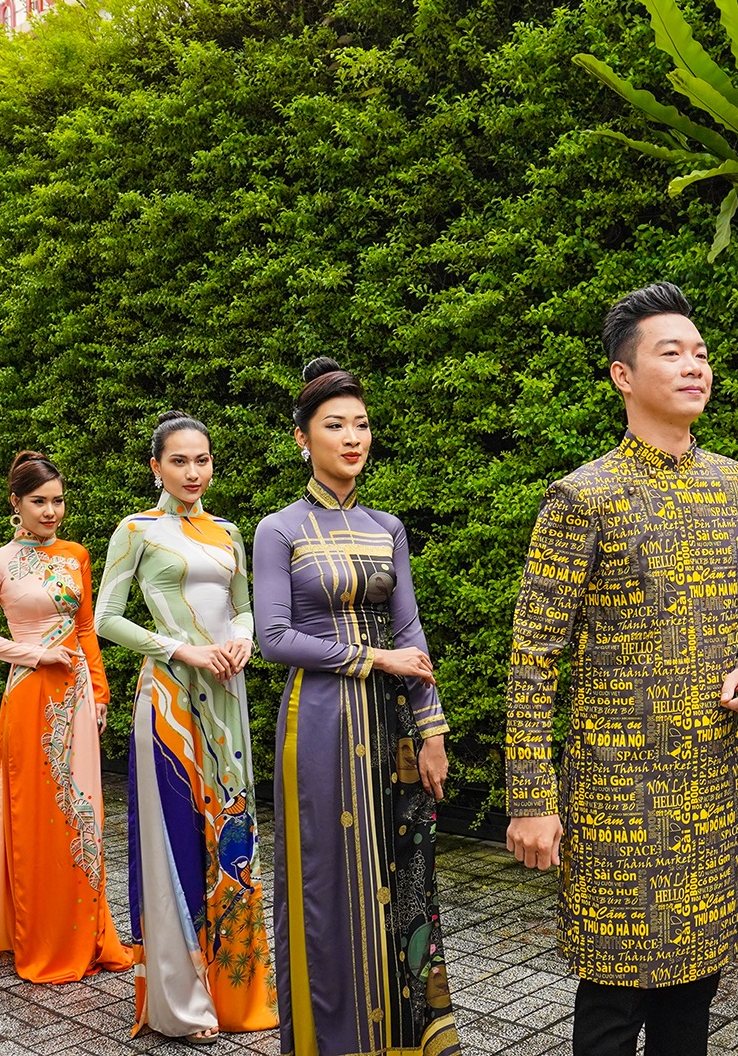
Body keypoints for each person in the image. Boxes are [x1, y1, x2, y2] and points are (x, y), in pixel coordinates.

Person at [505, 282, 738, 1056]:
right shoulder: (583, 496)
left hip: (711, 785)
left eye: (700, 353)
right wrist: (531, 797)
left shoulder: (736, 484)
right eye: (672, 352)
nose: (695, 366)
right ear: (624, 375)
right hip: (616, 794)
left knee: (695, 994)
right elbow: (534, 657)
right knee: (615, 999)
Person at [253, 360, 462, 1056]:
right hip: (319, 721)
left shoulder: (387, 526)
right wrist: (375, 661)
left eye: (362, 425)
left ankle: (402, 1040)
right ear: (301, 438)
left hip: (393, 727)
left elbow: (412, 632)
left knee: (402, 878)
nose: (352, 438)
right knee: (329, 882)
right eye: (335, 425)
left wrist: (431, 728)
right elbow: (273, 637)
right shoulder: (279, 528)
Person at [95, 411, 277, 1042]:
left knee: (232, 827)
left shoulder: (229, 531)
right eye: (179, 461)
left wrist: (244, 640)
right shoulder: (135, 530)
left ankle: (237, 992)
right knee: (175, 831)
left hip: (227, 693)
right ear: (156, 466)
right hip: (169, 697)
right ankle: (180, 1002)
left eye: (201, 460)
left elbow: (244, 606)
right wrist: (180, 649)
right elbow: (105, 619)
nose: (193, 472)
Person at [0, 451, 134, 982]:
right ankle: (40, 937)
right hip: (30, 695)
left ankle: (88, 934)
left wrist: (99, 694)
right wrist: (34, 654)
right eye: (39, 502)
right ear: (16, 503)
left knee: (83, 815)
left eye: (57, 500)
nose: (51, 511)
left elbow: (84, 630)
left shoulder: (76, 553)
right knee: (37, 816)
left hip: (76, 699)